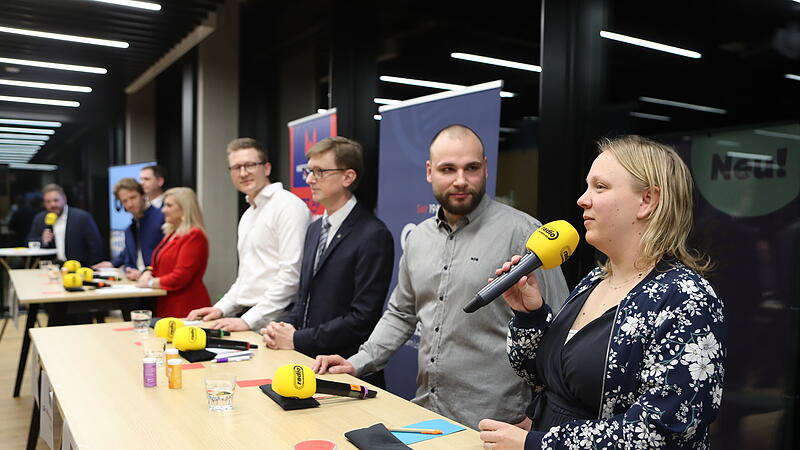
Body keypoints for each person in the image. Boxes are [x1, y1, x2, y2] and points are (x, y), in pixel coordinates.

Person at [477, 135, 726, 449]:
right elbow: (541, 376)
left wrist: (539, 444)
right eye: (587, 187)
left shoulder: (687, 299)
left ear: (647, 200)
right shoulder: (594, 280)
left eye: (600, 187)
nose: (583, 200)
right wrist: (530, 315)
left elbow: (661, 431)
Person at [313, 125, 569, 429]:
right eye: (448, 169)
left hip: (496, 424)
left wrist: (540, 414)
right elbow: (401, 314)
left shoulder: (524, 233)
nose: (461, 180)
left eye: (471, 168)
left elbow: (561, 330)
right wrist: (356, 363)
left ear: (486, 168)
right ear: (429, 171)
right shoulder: (419, 238)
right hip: (426, 415)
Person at [261, 137, 394, 381]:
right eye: (310, 171)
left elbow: (362, 319)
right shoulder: (315, 229)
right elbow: (305, 299)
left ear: (348, 177)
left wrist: (296, 339)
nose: (310, 179)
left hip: (345, 371)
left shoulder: (373, 234)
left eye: (319, 172)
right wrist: (283, 327)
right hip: (306, 365)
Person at [186, 138, 310, 331]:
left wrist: (248, 320)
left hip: (279, 320)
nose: (243, 173)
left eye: (250, 165)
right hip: (249, 316)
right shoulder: (248, 214)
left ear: (266, 168)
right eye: (236, 167)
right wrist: (220, 308)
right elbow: (246, 277)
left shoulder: (288, 206)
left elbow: (291, 275)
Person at [137, 187, 211, 318]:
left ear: (185, 208)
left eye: (169, 205)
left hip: (186, 306)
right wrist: (148, 272)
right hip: (167, 302)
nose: (163, 210)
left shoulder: (194, 235)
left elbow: (181, 276)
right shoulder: (172, 233)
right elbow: (159, 263)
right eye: (164, 205)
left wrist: (150, 283)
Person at [92, 178, 164, 280]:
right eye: (125, 201)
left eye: (133, 197)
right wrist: (114, 264)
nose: (130, 204)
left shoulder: (162, 217)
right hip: (137, 281)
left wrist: (145, 272)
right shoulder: (130, 229)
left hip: (156, 280)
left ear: (142, 195)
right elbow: (128, 253)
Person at [26, 184, 103, 266]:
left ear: (64, 199)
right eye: (48, 202)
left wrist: (93, 267)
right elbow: (28, 242)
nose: (52, 205)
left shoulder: (82, 217)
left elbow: (95, 245)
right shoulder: (40, 219)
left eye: (56, 200)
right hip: (50, 267)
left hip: (78, 267)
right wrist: (42, 240)